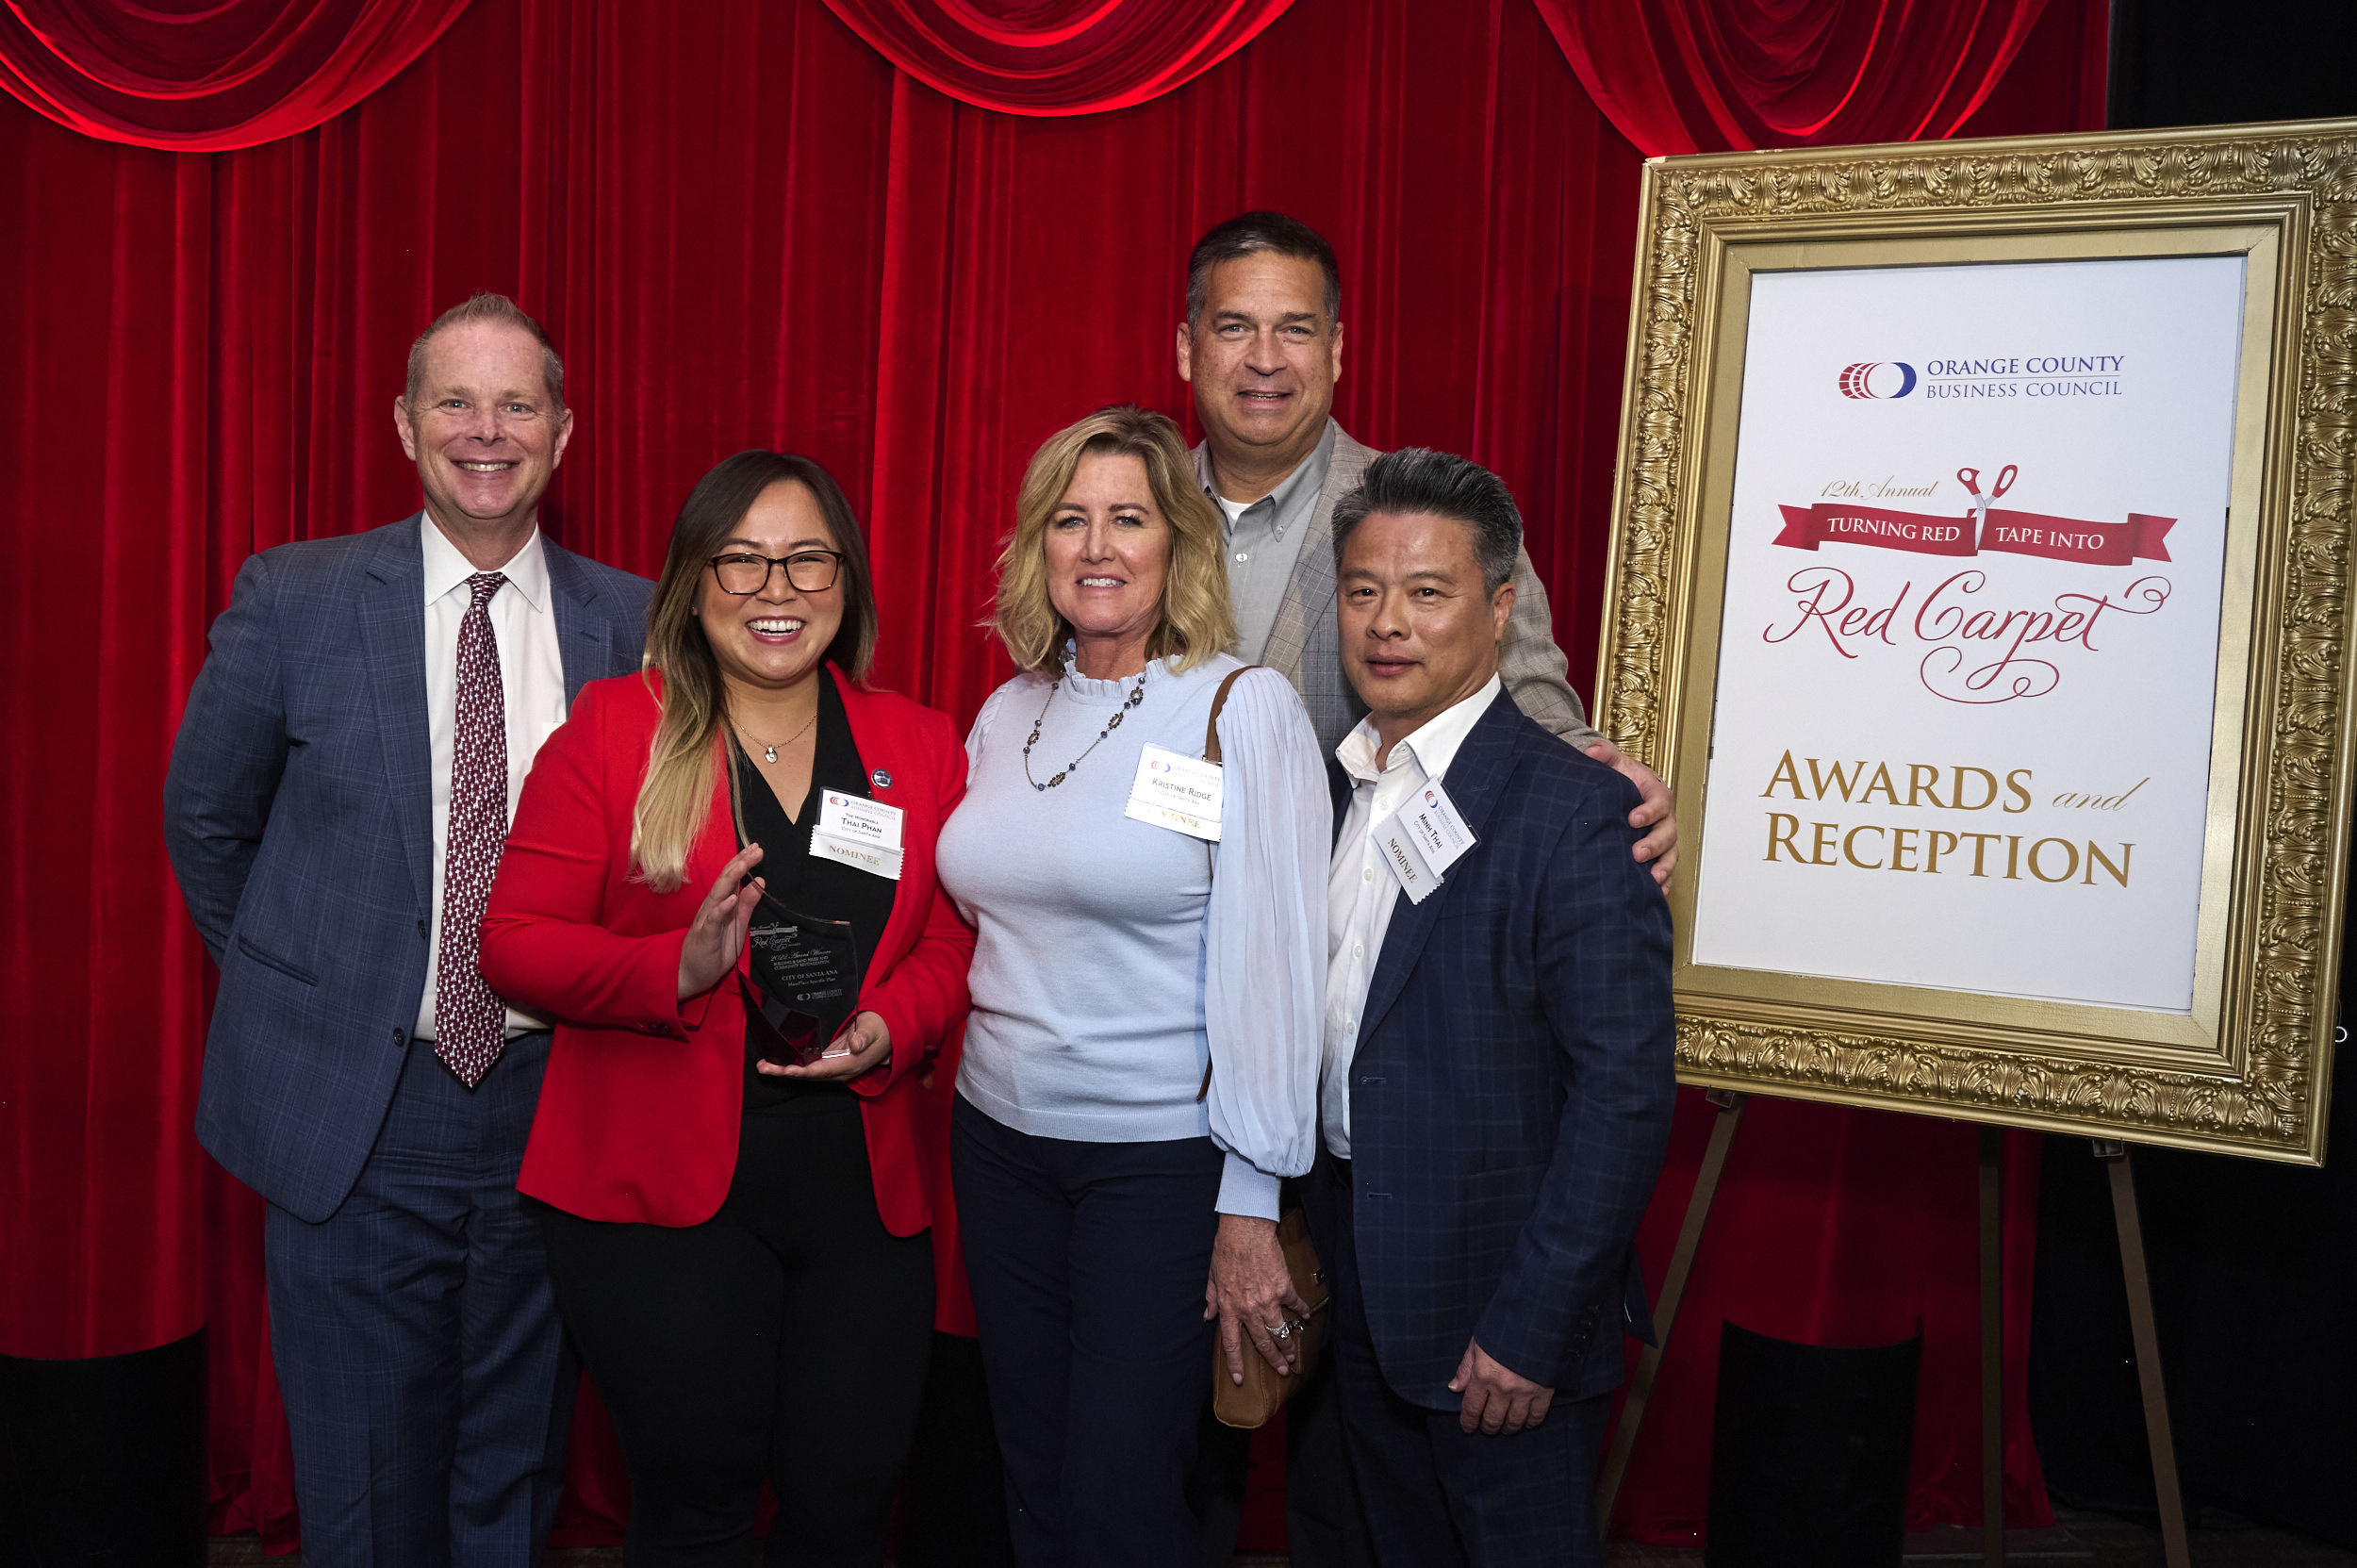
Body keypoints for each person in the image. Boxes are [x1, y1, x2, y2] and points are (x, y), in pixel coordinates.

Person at [1176, 208, 1679, 1567]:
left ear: (1340, 349)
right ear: (1187, 346)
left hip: (1466, 1264)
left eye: (1295, 328)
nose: (1388, 619)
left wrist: (1604, 795)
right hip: (1261, 1159)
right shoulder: (1126, 511)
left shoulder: (1413, 518)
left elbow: (1622, 1088)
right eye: (1236, 324)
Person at [161, 293, 652, 1567]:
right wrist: (317, 994)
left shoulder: (640, 621)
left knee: (516, 1456)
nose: (486, 430)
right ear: (404, 424)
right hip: (354, 1111)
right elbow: (208, 822)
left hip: (558, 1105)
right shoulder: (296, 596)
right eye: (455, 400)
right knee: (361, 1480)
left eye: (518, 403)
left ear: (563, 429)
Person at [475, 451, 976, 1566]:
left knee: (846, 1511)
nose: (776, 588)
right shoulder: (612, 732)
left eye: (805, 558)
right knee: (695, 1514)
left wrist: (896, 1020)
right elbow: (511, 942)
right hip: (658, 1197)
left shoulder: (920, 744)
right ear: (692, 583)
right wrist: (674, 970)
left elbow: (954, 939)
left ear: (846, 581)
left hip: (863, 1192)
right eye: (740, 561)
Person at [935, 404, 1328, 1567]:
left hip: (1155, 1167)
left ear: (1179, 545)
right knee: (1036, 1469)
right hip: (998, 1144)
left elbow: (1277, 968)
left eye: (1128, 518)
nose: (1097, 546)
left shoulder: (1238, 707)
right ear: (1035, 546)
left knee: (1123, 1494)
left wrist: (1249, 1198)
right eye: (1069, 519)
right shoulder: (1006, 711)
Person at [1315, 448, 1676, 1566]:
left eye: (1428, 593)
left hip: (1498, 1333)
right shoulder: (1335, 786)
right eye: (1364, 590)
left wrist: (1532, 1331)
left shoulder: (1573, 807)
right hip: (1356, 1301)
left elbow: (1622, 1094)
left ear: (1500, 607)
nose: (1390, 623)